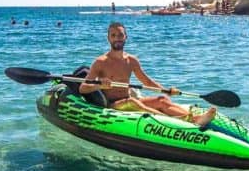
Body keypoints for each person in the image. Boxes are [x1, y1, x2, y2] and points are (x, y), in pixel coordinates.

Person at [80, 22, 217, 128]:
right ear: (108, 38)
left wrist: (166, 91)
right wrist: (99, 85)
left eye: (120, 35)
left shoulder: (131, 60)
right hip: (113, 105)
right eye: (113, 35)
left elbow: (147, 82)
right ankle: (185, 122)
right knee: (133, 102)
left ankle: (192, 117)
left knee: (161, 100)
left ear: (126, 37)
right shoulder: (100, 62)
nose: (117, 38)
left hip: (128, 98)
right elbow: (83, 88)